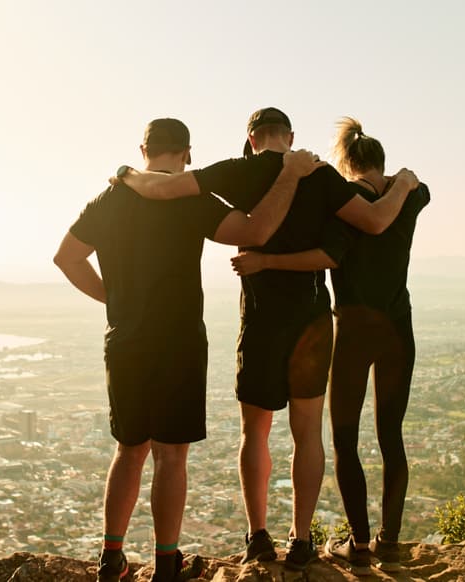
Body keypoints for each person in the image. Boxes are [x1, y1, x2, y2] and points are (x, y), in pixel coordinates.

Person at [116, 108, 419, 572]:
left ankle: (258, 536)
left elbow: (163, 187)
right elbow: (375, 222)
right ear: (290, 136)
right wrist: (404, 184)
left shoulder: (239, 171)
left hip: (259, 318)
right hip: (312, 321)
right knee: (307, 433)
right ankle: (301, 539)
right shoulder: (320, 175)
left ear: (252, 138)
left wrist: (127, 174)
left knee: (253, 433)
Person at [53, 118, 322, 582]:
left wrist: (113, 300)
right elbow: (257, 230)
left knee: (128, 450)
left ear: (143, 150)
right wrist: (290, 175)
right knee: (171, 457)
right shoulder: (191, 199)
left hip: (125, 340)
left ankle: (111, 557)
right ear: (188, 154)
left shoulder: (109, 198)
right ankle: (165, 564)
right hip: (178, 340)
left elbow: (66, 257)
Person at [231, 117, 430, 575]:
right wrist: (400, 182)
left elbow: (332, 252)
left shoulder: (343, 204)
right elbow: (418, 189)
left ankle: (358, 545)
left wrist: (265, 261)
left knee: (344, 439)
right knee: (391, 434)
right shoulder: (409, 196)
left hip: (355, 331)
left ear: (346, 162)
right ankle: (390, 542)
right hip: (398, 330)